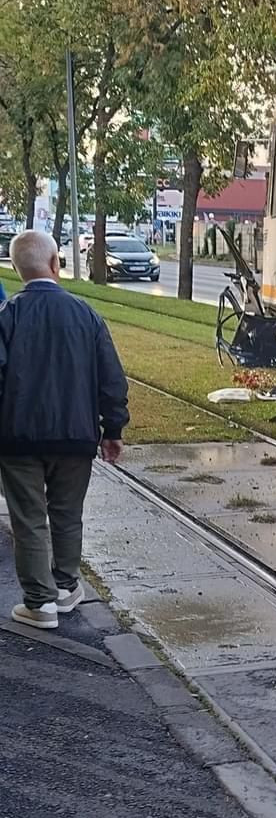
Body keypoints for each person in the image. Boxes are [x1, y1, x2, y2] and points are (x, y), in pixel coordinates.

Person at [0, 230, 128, 630]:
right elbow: (112, 379)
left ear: (18, 270)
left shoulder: (8, 316)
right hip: (76, 437)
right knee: (68, 513)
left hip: (18, 439)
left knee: (29, 519)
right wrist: (113, 429)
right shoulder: (86, 314)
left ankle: (40, 603)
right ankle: (67, 586)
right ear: (56, 264)